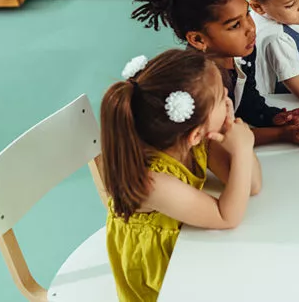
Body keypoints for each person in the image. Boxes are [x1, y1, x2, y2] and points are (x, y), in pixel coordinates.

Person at [102, 49, 261, 301]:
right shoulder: (153, 183)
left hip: (190, 246)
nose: (229, 99)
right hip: (161, 277)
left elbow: (251, 185)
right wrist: (242, 148)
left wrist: (233, 129)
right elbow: (227, 216)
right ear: (195, 133)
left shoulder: (194, 143)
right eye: (222, 97)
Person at [131, 0, 299, 146]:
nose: (250, 28)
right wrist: (281, 135)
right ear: (198, 40)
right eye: (235, 25)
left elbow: (247, 104)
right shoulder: (199, 82)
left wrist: (275, 118)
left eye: (247, 14)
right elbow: (221, 139)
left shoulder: (242, 54)